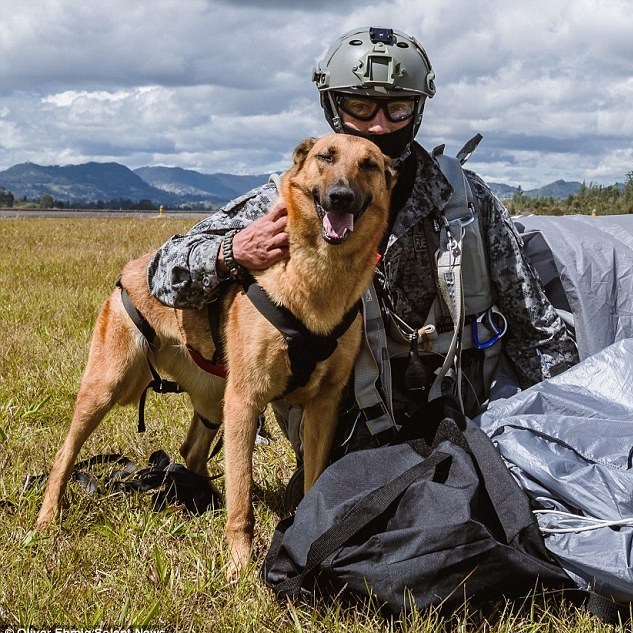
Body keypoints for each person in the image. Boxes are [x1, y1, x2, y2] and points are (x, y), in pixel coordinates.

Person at [147, 26, 578, 472]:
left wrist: (570, 420)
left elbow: (533, 325)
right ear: (333, 106)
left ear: (418, 109)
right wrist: (232, 251)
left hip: (464, 413)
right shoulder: (293, 196)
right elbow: (161, 274)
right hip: (344, 431)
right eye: (360, 106)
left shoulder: (461, 198)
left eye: (397, 107)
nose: (379, 124)